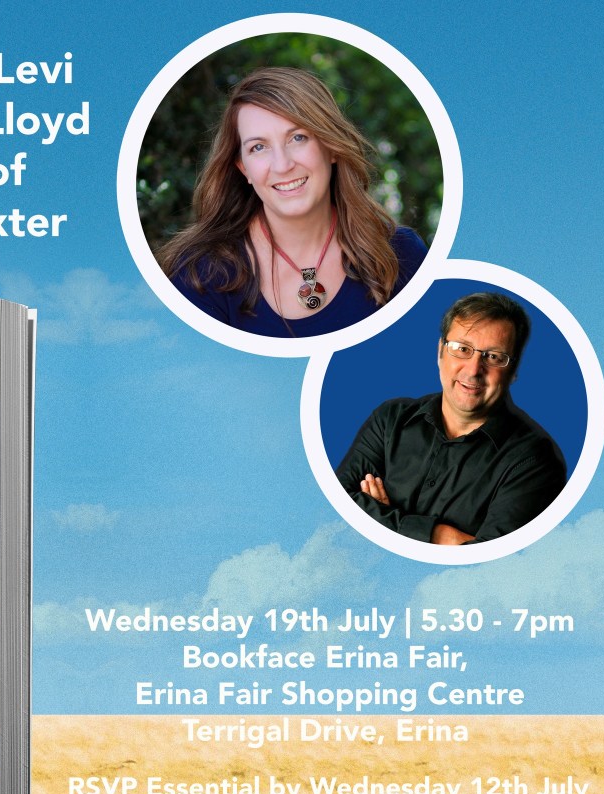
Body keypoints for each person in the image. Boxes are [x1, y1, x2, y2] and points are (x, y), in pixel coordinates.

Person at [162, 67, 427, 337]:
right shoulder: (201, 276)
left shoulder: (401, 254)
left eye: (298, 138)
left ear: (331, 147)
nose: (282, 165)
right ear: (244, 169)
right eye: (259, 147)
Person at [336, 293, 566, 544]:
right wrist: (442, 536)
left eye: (494, 357)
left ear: (513, 371)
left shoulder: (536, 463)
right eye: (462, 349)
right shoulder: (390, 420)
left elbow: (485, 563)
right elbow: (339, 504)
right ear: (440, 352)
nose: (474, 370)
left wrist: (379, 519)